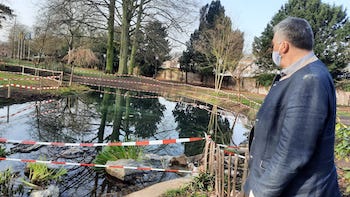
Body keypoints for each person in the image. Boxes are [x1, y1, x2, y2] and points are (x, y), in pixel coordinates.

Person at [243, 16, 341, 197]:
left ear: (283, 46)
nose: (273, 50)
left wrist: (260, 192)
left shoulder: (310, 80)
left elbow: (292, 153)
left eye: (273, 45)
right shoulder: (297, 75)